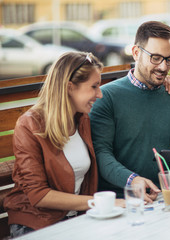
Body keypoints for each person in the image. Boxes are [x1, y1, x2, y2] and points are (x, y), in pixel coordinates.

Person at [3, 52, 125, 238]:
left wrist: (161, 84)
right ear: (69, 87)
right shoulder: (29, 125)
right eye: (94, 86)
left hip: (76, 218)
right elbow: (39, 195)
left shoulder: (82, 119)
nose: (99, 94)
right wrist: (99, 203)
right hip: (36, 222)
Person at [90, 21, 170, 203]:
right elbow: (100, 154)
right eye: (155, 58)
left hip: (163, 198)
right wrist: (133, 180)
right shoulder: (106, 97)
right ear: (136, 53)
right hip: (118, 201)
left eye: (169, 59)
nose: (164, 67)